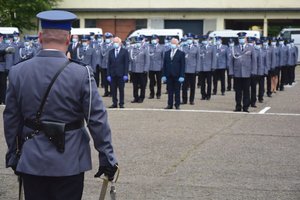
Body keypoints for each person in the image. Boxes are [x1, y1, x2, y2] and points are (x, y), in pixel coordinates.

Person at [3, 10, 118, 200]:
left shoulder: (18, 71)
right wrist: (107, 156)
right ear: (69, 39)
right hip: (69, 160)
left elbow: (11, 120)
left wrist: (13, 154)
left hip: (32, 157)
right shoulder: (81, 73)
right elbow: (96, 119)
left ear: (40, 37)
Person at [228, 32, 257, 112]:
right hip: (237, 73)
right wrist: (231, 72)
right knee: (238, 92)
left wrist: (253, 71)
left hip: (247, 73)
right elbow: (231, 62)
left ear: (246, 39)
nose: (241, 39)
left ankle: (245, 107)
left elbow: (254, 61)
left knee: (246, 91)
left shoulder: (251, 48)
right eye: (240, 38)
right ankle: (238, 106)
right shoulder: (234, 48)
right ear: (238, 39)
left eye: (243, 38)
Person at [162, 38, 185, 109]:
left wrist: (182, 76)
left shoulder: (181, 53)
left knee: (177, 91)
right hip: (169, 75)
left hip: (177, 75)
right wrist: (163, 75)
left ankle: (177, 104)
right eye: (172, 43)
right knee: (170, 91)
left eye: (174, 43)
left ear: (177, 44)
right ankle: (170, 104)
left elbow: (183, 65)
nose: (173, 44)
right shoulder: (166, 53)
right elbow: (164, 65)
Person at [107, 37, 129, 108]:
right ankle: (114, 103)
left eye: (116, 42)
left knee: (121, 90)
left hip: (121, 74)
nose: (115, 43)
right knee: (113, 90)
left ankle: (121, 103)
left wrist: (126, 74)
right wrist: (108, 75)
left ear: (120, 43)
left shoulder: (124, 51)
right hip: (113, 74)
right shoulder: (111, 52)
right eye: (114, 42)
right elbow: (108, 64)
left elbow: (126, 64)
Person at [129, 36, 150, 103]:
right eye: (136, 42)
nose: (138, 43)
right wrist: (130, 69)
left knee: (142, 85)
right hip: (134, 70)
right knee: (135, 85)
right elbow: (130, 61)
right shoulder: (132, 49)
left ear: (141, 42)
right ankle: (136, 97)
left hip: (142, 70)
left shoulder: (145, 49)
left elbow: (147, 61)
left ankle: (141, 97)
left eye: (139, 42)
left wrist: (145, 69)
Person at [181, 33, 199, 105]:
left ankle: (191, 100)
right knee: (184, 86)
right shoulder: (183, 48)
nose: (189, 40)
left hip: (192, 70)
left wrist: (197, 69)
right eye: (188, 39)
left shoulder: (196, 48)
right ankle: (184, 100)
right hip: (185, 70)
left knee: (192, 86)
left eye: (190, 39)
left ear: (192, 40)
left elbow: (198, 60)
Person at [199, 35, 216, 100]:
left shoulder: (212, 47)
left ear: (208, 40)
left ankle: (208, 95)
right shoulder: (200, 47)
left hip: (209, 68)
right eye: (203, 40)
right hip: (201, 68)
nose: (204, 41)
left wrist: (213, 67)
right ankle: (203, 95)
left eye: (206, 40)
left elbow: (214, 58)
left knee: (209, 82)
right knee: (202, 83)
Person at [148, 34, 164, 99]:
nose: (153, 40)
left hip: (158, 67)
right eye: (152, 39)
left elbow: (163, 58)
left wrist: (162, 67)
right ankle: (152, 94)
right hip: (150, 67)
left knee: (159, 82)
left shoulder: (162, 47)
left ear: (158, 40)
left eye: (154, 39)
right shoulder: (149, 47)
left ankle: (158, 94)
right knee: (151, 81)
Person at [101, 32, 114, 97]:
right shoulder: (103, 45)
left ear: (111, 38)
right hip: (103, 65)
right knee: (105, 80)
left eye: (109, 38)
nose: (107, 39)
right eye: (106, 38)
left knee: (111, 80)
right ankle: (106, 92)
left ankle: (112, 92)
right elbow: (101, 56)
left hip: (111, 66)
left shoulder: (113, 46)